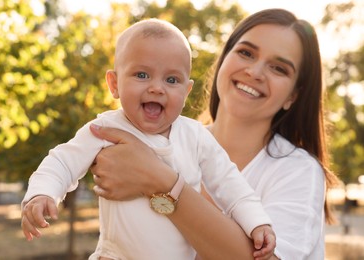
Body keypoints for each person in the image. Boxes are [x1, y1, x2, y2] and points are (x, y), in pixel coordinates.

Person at [89, 8, 341, 260]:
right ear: (224, 59)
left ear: (292, 96)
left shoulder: (298, 170)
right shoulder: (162, 141)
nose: (255, 72)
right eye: (246, 53)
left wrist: (160, 182)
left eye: (278, 68)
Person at [20, 18, 276, 260]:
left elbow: (230, 185)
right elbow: (62, 162)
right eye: (142, 75)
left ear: (186, 91)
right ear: (114, 84)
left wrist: (257, 222)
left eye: (172, 79)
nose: (156, 87)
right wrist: (42, 194)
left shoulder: (195, 136)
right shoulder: (105, 129)